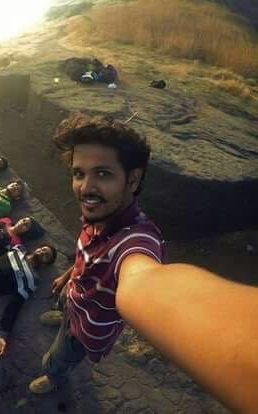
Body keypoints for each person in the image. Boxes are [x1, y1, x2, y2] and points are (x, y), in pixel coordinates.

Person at [27, 113, 258, 414]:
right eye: (79, 173)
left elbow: (144, 279)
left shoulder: (137, 240)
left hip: (87, 327)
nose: (85, 187)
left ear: (132, 180)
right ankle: (63, 313)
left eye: (103, 174)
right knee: (64, 312)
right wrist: (70, 276)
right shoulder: (99, 214)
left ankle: (53, 377)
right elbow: (91, 256)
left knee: (60, 356)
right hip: (74, 298)